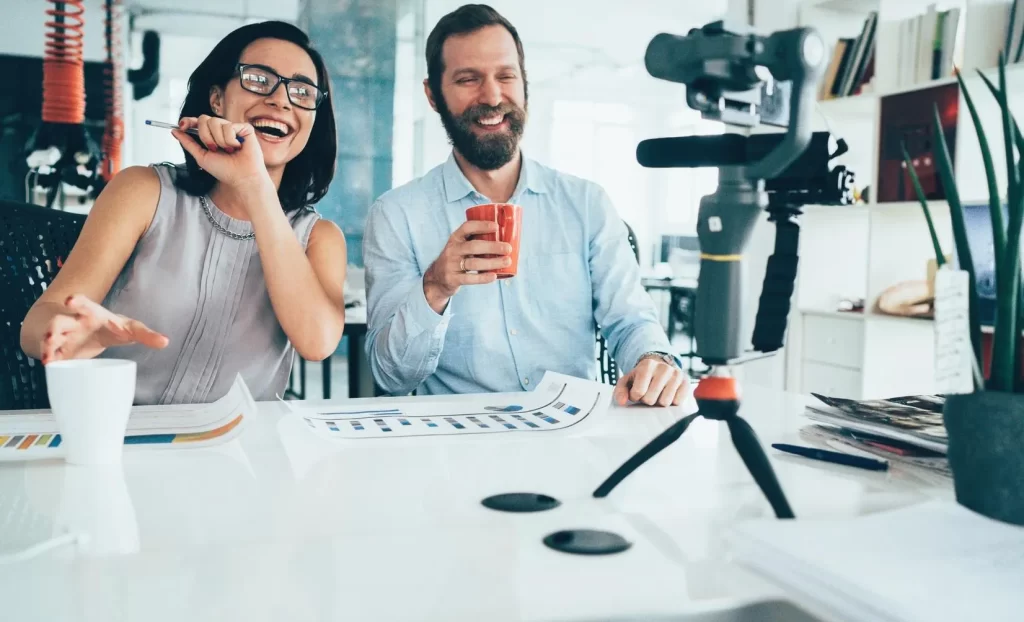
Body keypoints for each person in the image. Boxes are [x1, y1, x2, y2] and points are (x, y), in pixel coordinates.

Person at [364, 4, 687, 406]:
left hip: (573, 434)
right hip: (459, 444)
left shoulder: (585, 203)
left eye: (506, 76)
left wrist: (653, 359)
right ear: (433, 95)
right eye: (468, 79)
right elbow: (390, 376)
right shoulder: (397, 214)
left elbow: (631, 320)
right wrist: (435, 287)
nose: (493, 96)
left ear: (524, 82)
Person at [20, 21, 347, 405]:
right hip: (118, 434)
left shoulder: (319, 237)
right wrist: (71, 334)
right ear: (216, 99)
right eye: (259, 79)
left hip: (234, 452)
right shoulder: (143, 191)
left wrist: (255, 186)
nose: (281, 100)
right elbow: (37, 324)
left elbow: (318, 341)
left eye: (302, 91)